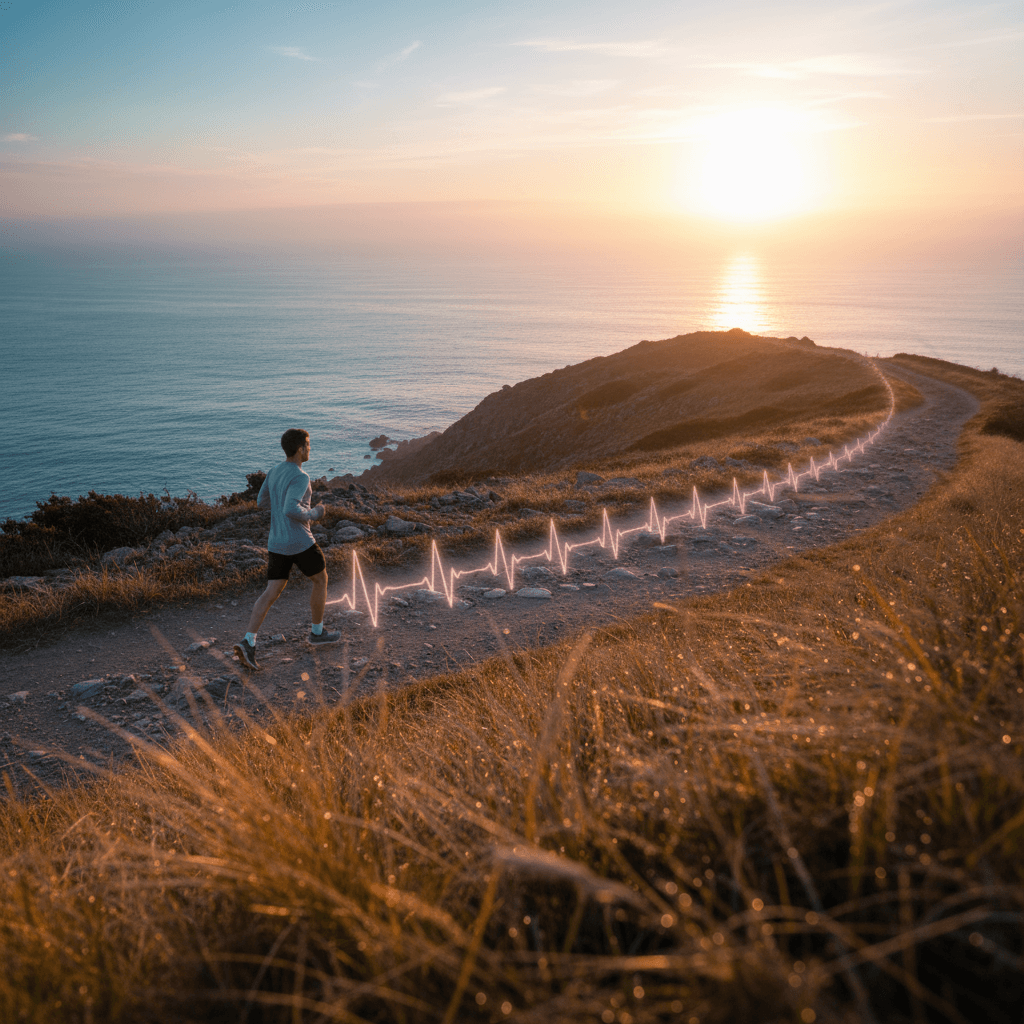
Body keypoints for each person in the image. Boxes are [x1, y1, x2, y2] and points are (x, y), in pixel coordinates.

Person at [234, 428, 340, 670]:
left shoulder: (274, 471)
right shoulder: (301, 476)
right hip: (299, 541)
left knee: (271, 592)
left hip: (276, 542)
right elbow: (291, 509)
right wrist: (315, 513)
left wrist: (283, 504)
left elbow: (261, 501)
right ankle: (317, 633)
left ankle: (248, 641)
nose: (310, 449)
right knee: (321, 580)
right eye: (309, 445)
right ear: (300, 448)